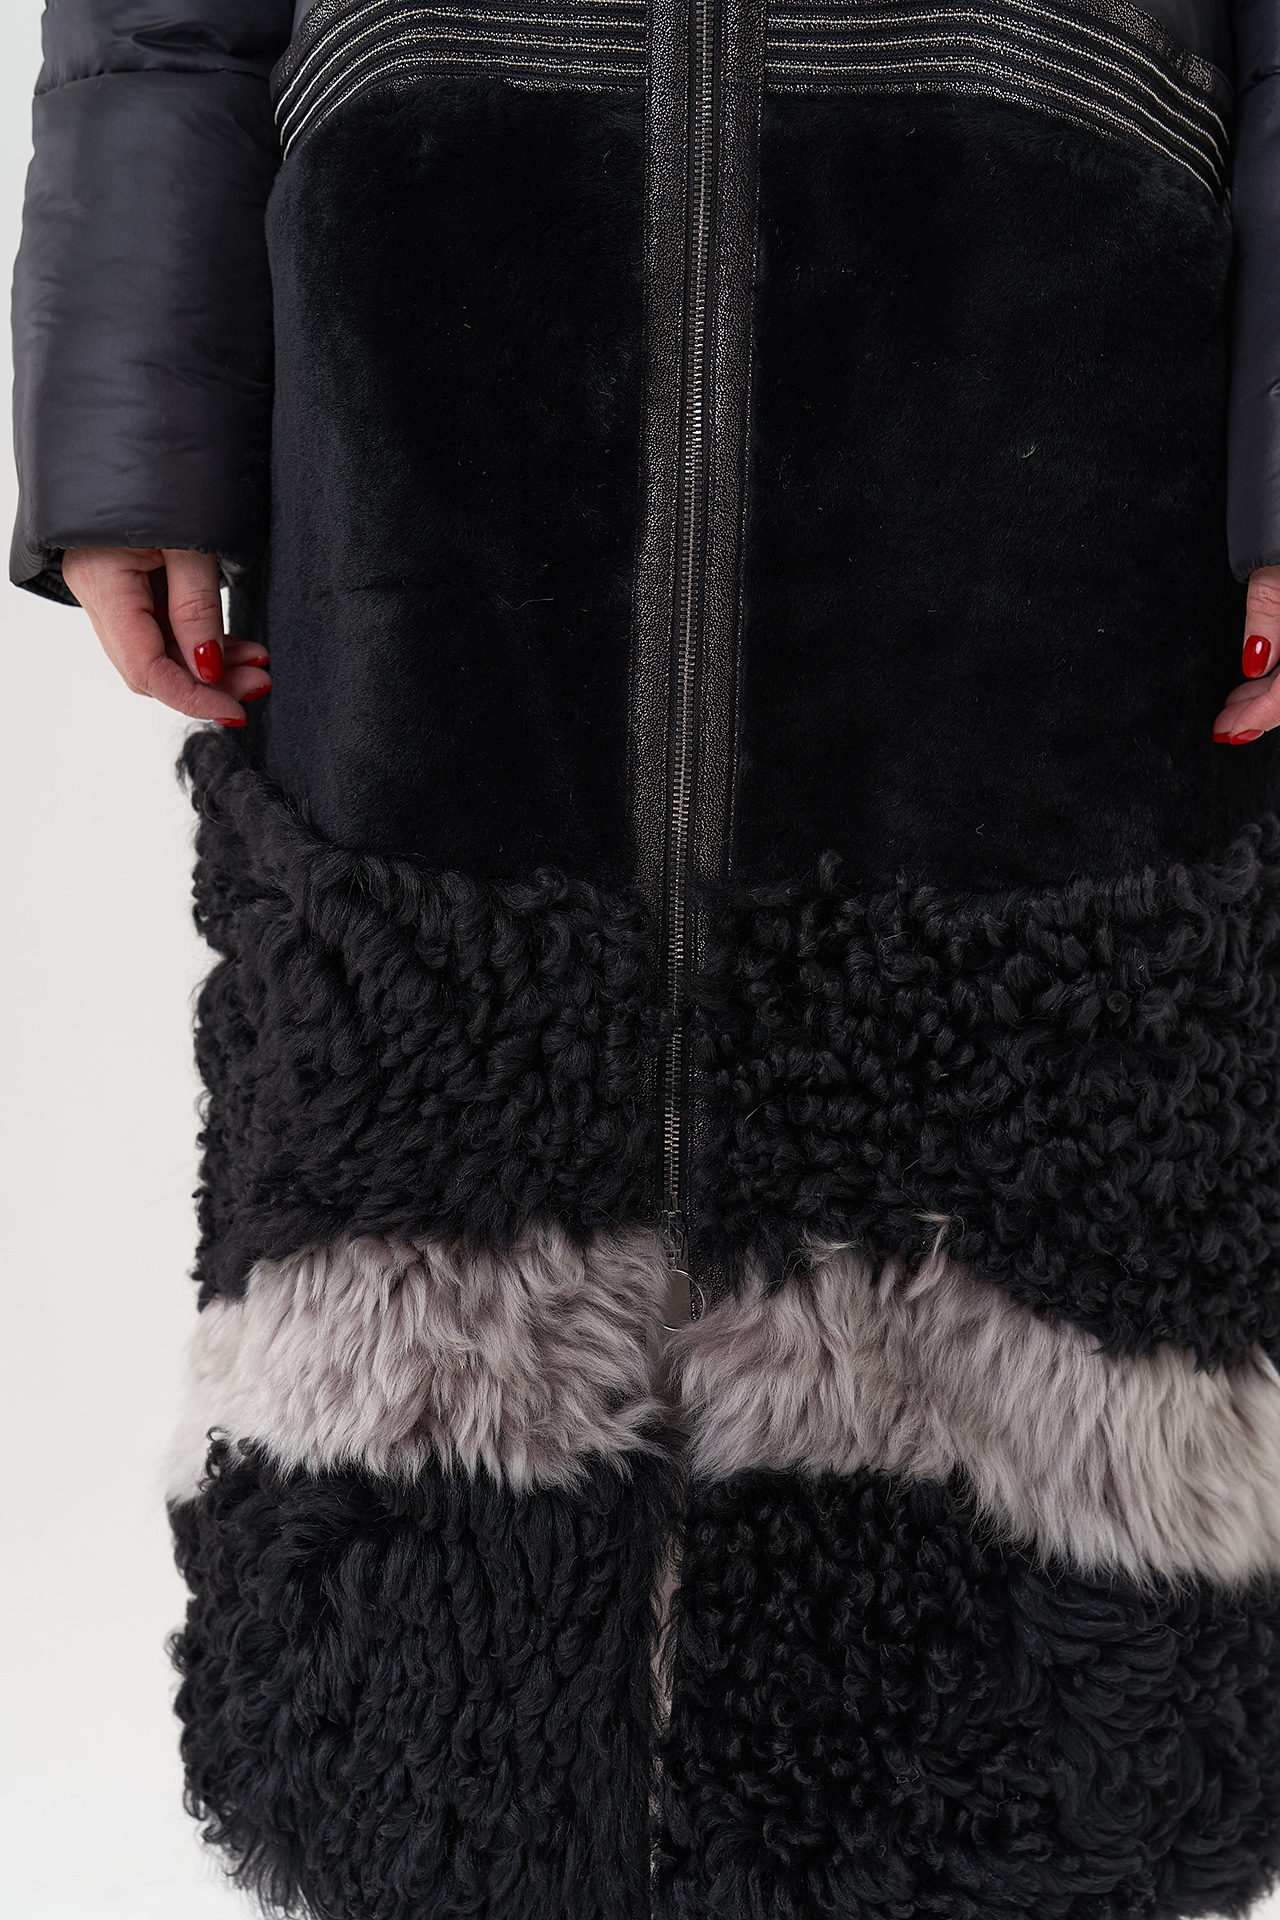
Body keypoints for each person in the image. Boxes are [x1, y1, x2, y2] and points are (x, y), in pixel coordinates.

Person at [13, 1, 1280, 1915]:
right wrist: (140, 406)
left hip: (1042, 250)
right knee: (431, 1203)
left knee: (1028, 1215)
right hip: (439, 272)